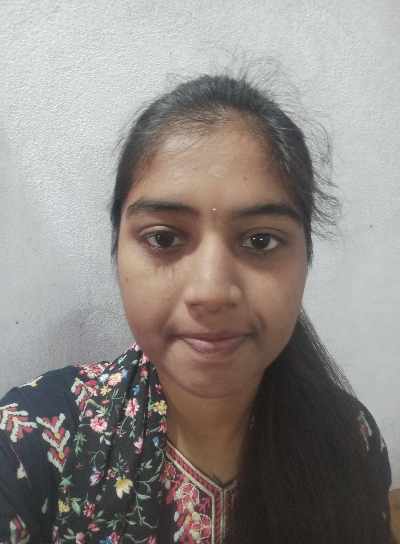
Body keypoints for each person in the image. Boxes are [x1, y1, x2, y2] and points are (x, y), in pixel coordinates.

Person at [0, 73, 395, 544]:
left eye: (261, 241)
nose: (211, 292)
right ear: (117, 253)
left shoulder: (349, 439)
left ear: (305, 259)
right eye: (164, 238)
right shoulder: (33, 440)